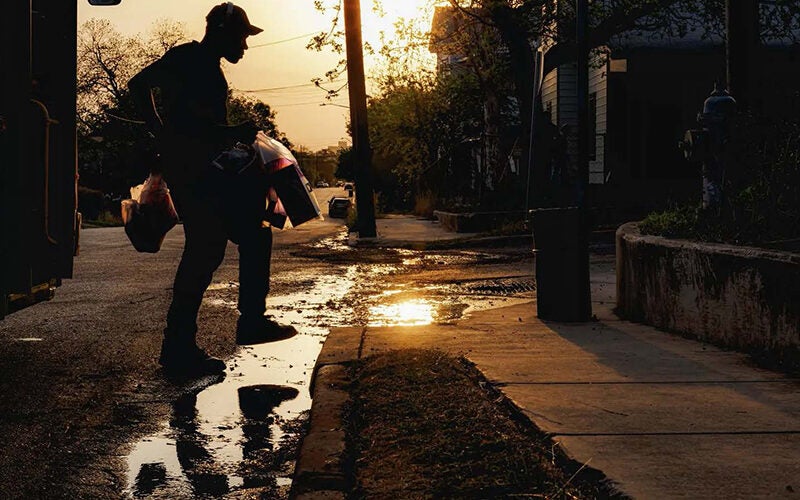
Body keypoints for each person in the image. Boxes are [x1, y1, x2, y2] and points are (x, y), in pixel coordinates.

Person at [129, 2, 296, 377]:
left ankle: (231, 328)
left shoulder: (206, 65)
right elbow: (143, 89)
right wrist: (162, 131)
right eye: (241, 37)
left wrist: (232, 139)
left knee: (247, 238)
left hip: (206, 170)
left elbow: (199, 125)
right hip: (193, 173)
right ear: (220, 31)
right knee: (207, 251)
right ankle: (184, 347)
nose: (245, 46)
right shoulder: (188, 58)